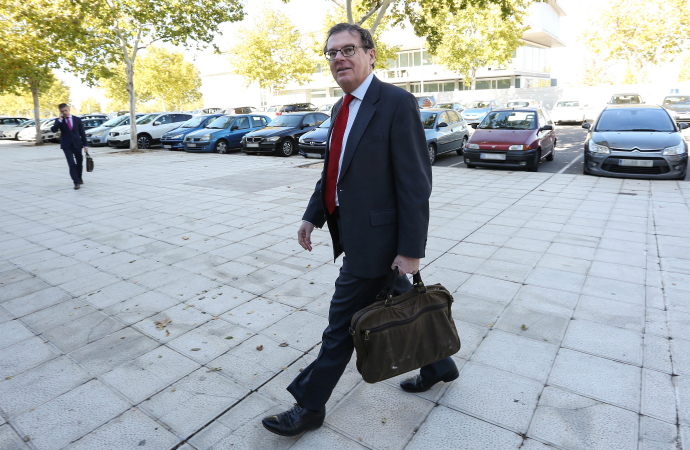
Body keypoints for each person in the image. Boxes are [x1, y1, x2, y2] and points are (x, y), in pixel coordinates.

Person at [261, 23, 458, 437]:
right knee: (402, 303)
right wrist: (312, 215)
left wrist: (411, 250)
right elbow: (334, 173)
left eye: (348, 49)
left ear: (370, 54)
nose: (339, 58)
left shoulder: (396, 103)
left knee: (341, 328)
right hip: (353, 235)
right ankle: (440, 365)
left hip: (378, 243)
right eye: (332, 53)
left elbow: (415, 182)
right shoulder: (340, 107)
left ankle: (309, 406)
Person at [50, 103, 88, 190]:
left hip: (77, 144)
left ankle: (79, 177)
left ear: (69, 109)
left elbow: (82, 133)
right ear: (60, 112)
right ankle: (76, 182)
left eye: (66, 110)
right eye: (62, 111)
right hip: (66, 145)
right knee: (71, 164)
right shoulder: (59, 120)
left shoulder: (77, 119)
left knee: (79, 163)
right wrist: (59, 120)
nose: (65, 112)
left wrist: (86, 145)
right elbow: (53, 130)